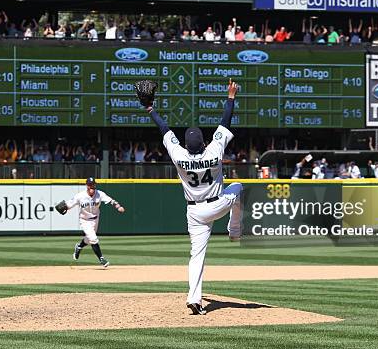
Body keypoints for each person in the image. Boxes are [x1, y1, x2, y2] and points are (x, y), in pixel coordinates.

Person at [146, 79, 242, 315]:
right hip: (218, 203)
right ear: (203, 143)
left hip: (194, 212)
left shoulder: (179, 156)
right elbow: (225, 122)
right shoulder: (214, 151)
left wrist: (151, 110)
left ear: (187, 146)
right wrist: (230, 97)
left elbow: (164, 130)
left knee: (196, 256)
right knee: (239, 187)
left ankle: (194, 299)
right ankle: (235, 230)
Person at [57, 177, 125, 268]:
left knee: (88, 239)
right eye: (89, 185)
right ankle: (101, 259)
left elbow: (111, 200)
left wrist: (118, 206)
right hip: (84, 220)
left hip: (95, 219)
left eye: (93, 184)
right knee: (93, 238)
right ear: (87, 186)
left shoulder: (100, 194)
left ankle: (79, 246)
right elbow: (69, 205)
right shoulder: (80, 196)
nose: (91, 186)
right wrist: (64, 207)